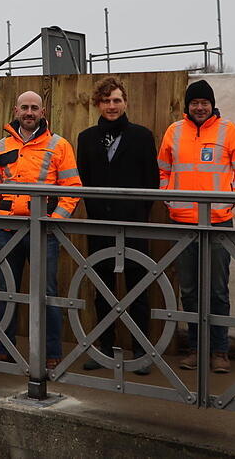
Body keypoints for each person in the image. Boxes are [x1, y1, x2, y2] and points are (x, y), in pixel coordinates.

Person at [157, 79, 235, 373]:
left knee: (217, 291)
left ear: (212, 105)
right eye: (195, 103)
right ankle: (196, 350)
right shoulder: (174, 131)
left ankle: (220, 351)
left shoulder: (229, 130)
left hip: (218, 222)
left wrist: (230, 200)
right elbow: (163, 168)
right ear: (188, 106)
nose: (200, 108)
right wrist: (168, 198)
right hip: (183, 223)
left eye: (204, 103)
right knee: (189, 290)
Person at [0, 91, 81, 369]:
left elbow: (72, 190)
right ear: (16, 110)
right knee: (6, 291)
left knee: (47, 292)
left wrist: (54, 220)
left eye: (34, 108)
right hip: (6, 230)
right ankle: (5, 349)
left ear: (42, 111)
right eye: (24, 107)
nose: (29, 112)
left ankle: (52, 353)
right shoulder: (0, 146)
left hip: (43, 232)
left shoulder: (59, 145)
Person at [76, 77, 159, 376]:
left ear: (125, 102)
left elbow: (152, 182)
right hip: (100, 226)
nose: (111, 106)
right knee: (102, 288)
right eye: (106, 101)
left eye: (116, 100)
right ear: (98, 104)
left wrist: (136, 215)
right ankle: (104, 349)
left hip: (134, 225)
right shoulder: (86, 138)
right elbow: (84, 181)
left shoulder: (142, 136)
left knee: (138, 287)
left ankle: (141, 352)